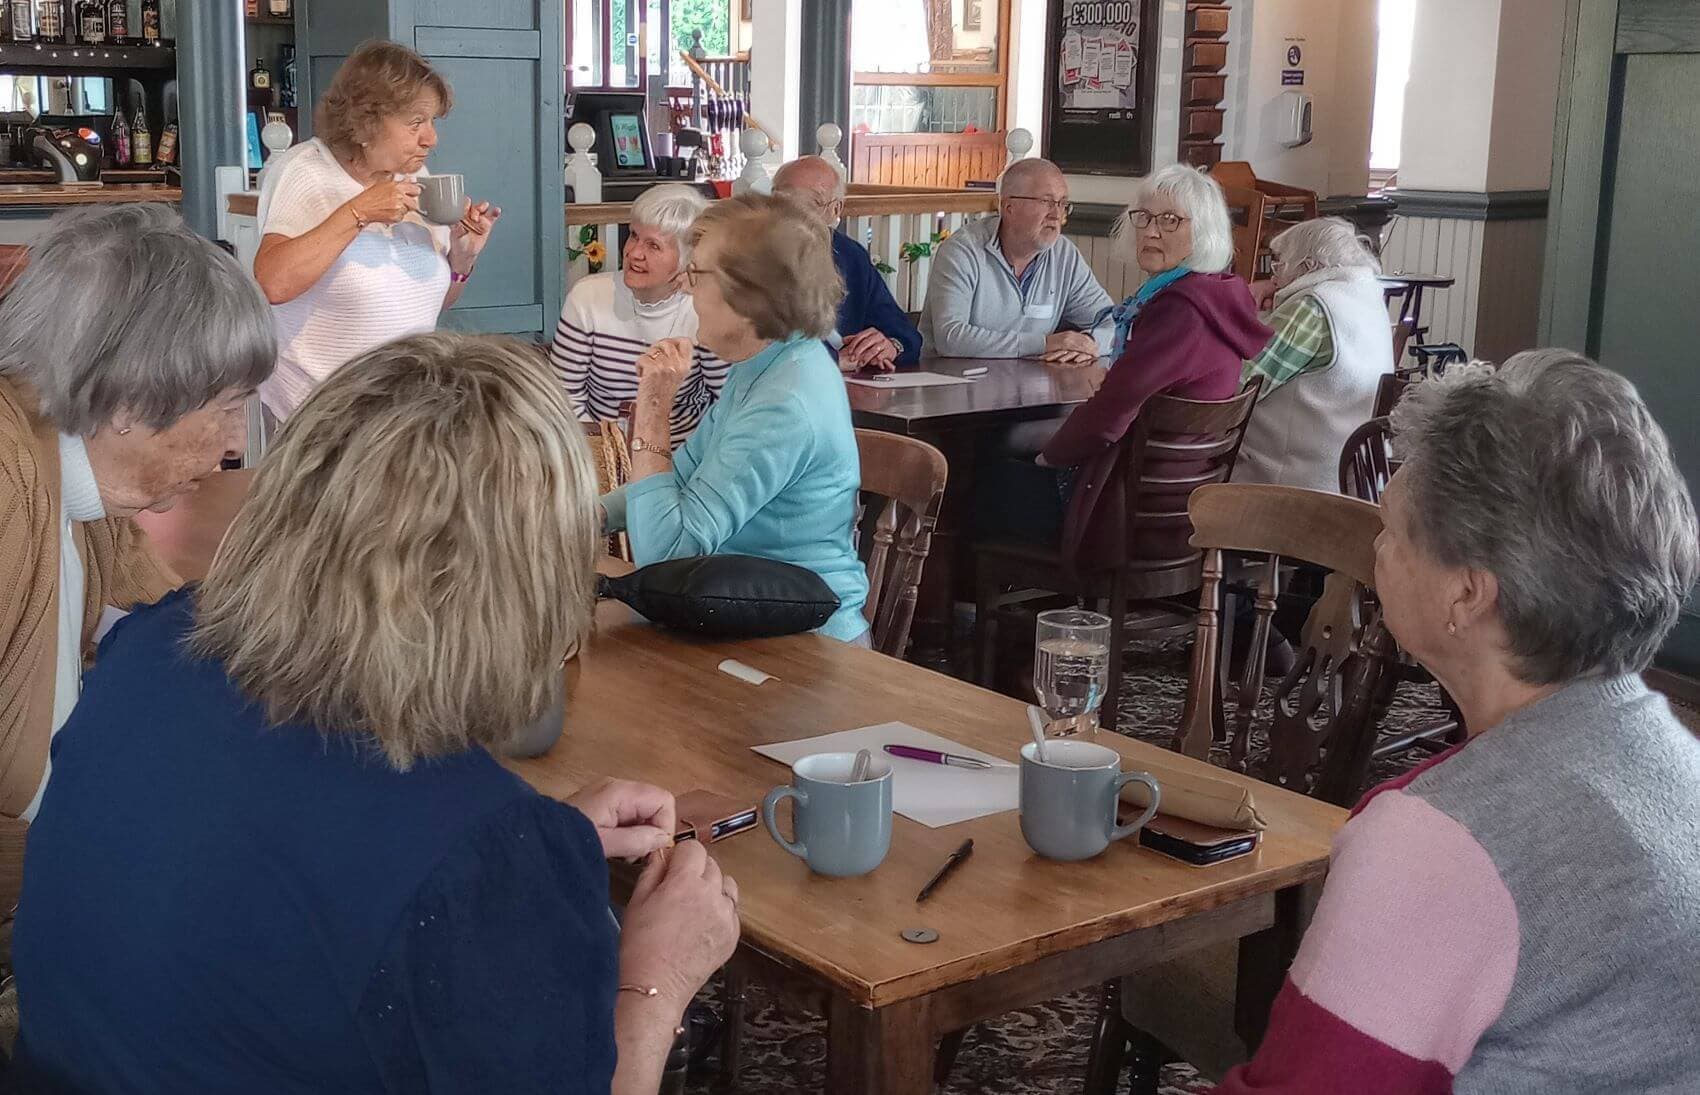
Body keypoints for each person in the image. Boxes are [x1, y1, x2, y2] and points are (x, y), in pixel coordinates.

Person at [11, 334, 741, 1094]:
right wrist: (654, 981)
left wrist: (536, 846)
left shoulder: (146, 653)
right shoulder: (471, 861)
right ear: (525, 579)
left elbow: (277, 863)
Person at [1217, 351, 1700, 1094]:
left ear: (1466, 593)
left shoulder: (1438, 841)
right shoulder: (1674, 753)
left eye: (1395, 532)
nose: (1376, 550)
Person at [0, 204, 274, 914]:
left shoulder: (79, 478)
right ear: (130, 398)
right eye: (227, 406)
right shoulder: (6, 482)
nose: (234, 443)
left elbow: (193, 637)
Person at [600, 194, 870, 644]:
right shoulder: (766, 362)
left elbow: (667, 552)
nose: (686, 288)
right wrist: (576, 518)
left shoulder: (787, 400)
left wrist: (651, 411)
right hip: (743, 618)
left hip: (809, 647)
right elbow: (681, 480)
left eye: (697, 273)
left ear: (750, 292)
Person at [975, 164, 1271, 570]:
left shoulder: (1181, 310)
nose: (1150, 231)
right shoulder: (1212, 295)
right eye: (1144, 217)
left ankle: (963, 621)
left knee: (977, 480)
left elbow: (1108, 417)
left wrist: (1048, 458)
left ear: (1204, 231)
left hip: (1134, 512)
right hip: (1180, 505)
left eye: (1170, 221)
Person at [251, 40, 501, 423]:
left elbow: (431, 300)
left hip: (407, 411)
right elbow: (273, 283)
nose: (431, 138)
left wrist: (463, 256)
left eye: (432, 122)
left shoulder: (415, 177)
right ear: (366, 120)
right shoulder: (307, 171)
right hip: (322, 416)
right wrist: (358, 213)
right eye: (416, 122)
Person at [550, 184, 727, 446]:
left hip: (682, 460)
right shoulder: (586, 297)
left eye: (653, 246)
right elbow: (563, 397)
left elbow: (726, 400)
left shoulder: (706, 310)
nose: (634, 253)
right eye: (633, 235)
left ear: (687, 257)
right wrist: (606, 454)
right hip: (600, 456)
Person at [1233, 217, 1391, 491]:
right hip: (1348, 478)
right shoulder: (1365, 296)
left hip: (1288, 486)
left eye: (1279, 264)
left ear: (1308, 267)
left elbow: (1239, 383)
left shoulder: (1313, 308)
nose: (1273, 276)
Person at [919, 156, 1111, 363]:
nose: (1056, 215)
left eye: (1063, 203)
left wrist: (1089, 343)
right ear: (1008, 207)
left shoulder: (1064, 255)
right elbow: (950, 338)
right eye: (1046, 202)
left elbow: (1114, 322)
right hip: (952, 385)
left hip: (1032, 386)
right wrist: (1043, 344)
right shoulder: (963, 251)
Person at [771, 155, 921, 372]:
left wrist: (889, 346)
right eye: (783, 200)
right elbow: (760, 345)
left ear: (835, 210)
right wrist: (833, 361)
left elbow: (902, 331)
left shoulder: (850, 255)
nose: (794, 213)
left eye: (811, 202)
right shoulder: (756, 258)